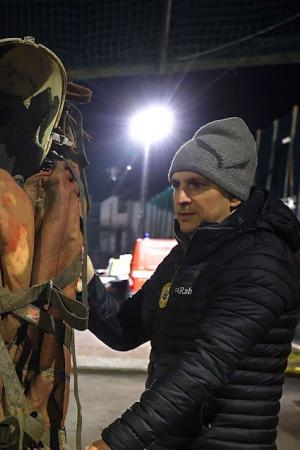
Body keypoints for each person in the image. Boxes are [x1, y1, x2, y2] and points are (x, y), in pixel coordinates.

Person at [82, 117, 300, 449]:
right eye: (176, 184)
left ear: (234, 195)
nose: (181, 197)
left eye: (197, 184)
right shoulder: (182, 258)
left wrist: (116, 441)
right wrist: (86, 281)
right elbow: (123, 331)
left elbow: (205, 367)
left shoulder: (262, 259)